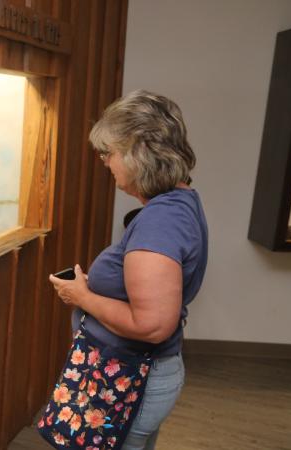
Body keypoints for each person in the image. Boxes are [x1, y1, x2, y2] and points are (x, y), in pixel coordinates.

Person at [48, 90, 208, 449]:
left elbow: (151, 325)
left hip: (131, 379)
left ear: (138, 154)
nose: (106, 163)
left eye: (109, 153)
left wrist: (82, 296)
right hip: (139, 375)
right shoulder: (180, 201)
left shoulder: (159, 223)